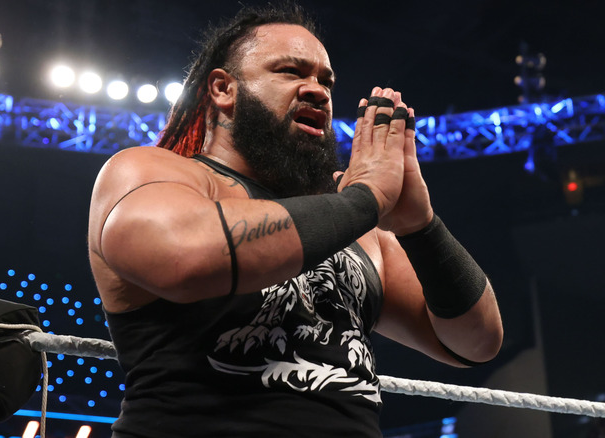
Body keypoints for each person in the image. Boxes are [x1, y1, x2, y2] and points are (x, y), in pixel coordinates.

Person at [88, 4, 503, 437]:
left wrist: (420, 225)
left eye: (326, 80)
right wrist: (366, 199)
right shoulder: (152, 172)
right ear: (223, 89)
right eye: (291, 71)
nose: (318, 91)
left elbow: (476, 343)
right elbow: (183, 257)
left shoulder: (358, 226)